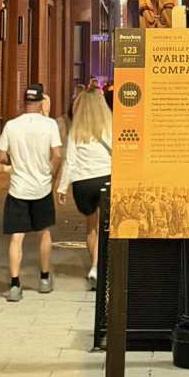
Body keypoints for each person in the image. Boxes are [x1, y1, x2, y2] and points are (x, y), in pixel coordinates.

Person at [0, 83, 62, 301]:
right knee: (44, 233)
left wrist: (14, 162)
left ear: (24, 102)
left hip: (18, 188)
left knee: (17, 237)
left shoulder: (11, 126)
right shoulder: (50, 125)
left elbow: (1, 157)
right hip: (42, 187)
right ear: (42, 102)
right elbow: (57, 154)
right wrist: (50, 173)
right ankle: (44, 279)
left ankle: (15, 285)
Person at [56, 88, 112, 290]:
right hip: (106, 179)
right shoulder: (110, 128)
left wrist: (62, 187)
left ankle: (94, 266)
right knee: (106, 226)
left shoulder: (76, 132)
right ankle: (100, 267)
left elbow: (69, 161)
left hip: (83, 184)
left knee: (91, 227)